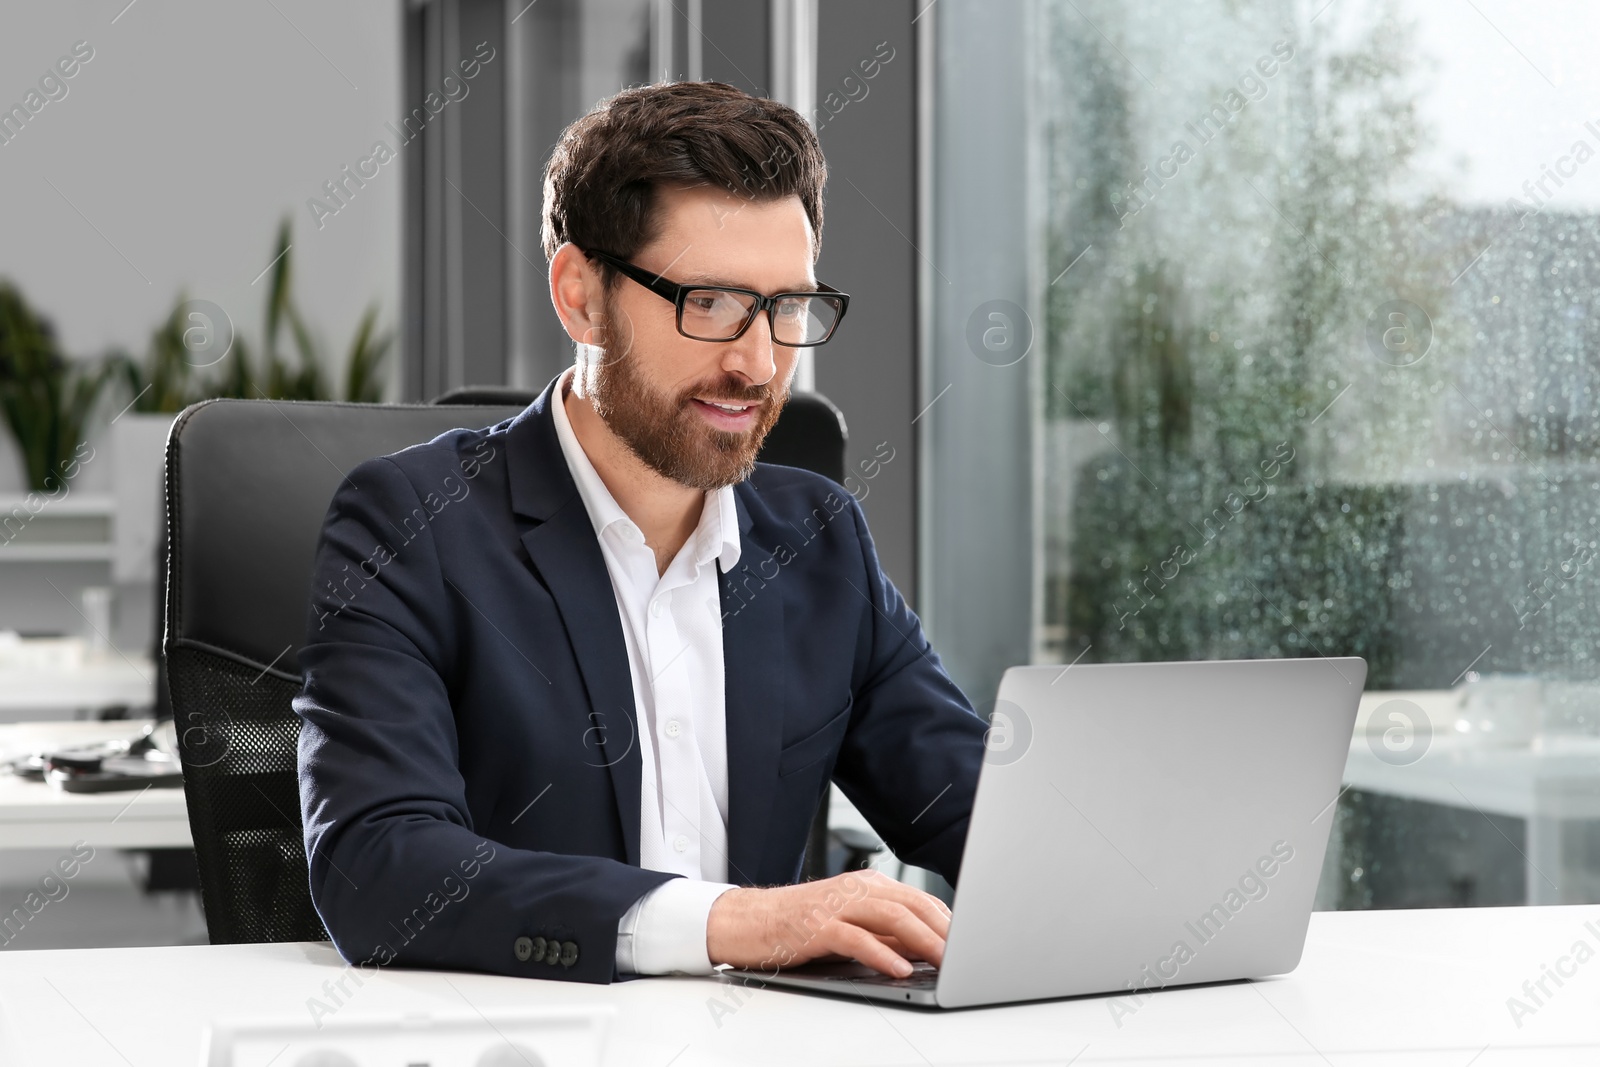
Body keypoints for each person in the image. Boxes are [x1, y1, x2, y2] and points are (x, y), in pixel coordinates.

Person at [293, 80, 986, 985]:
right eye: (710, 302)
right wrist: (734, 922)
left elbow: (986, 819)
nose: (758, 361)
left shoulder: (820, 540)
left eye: (786, 307)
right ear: (581, 297)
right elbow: (380, 868)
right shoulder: (410, 527)